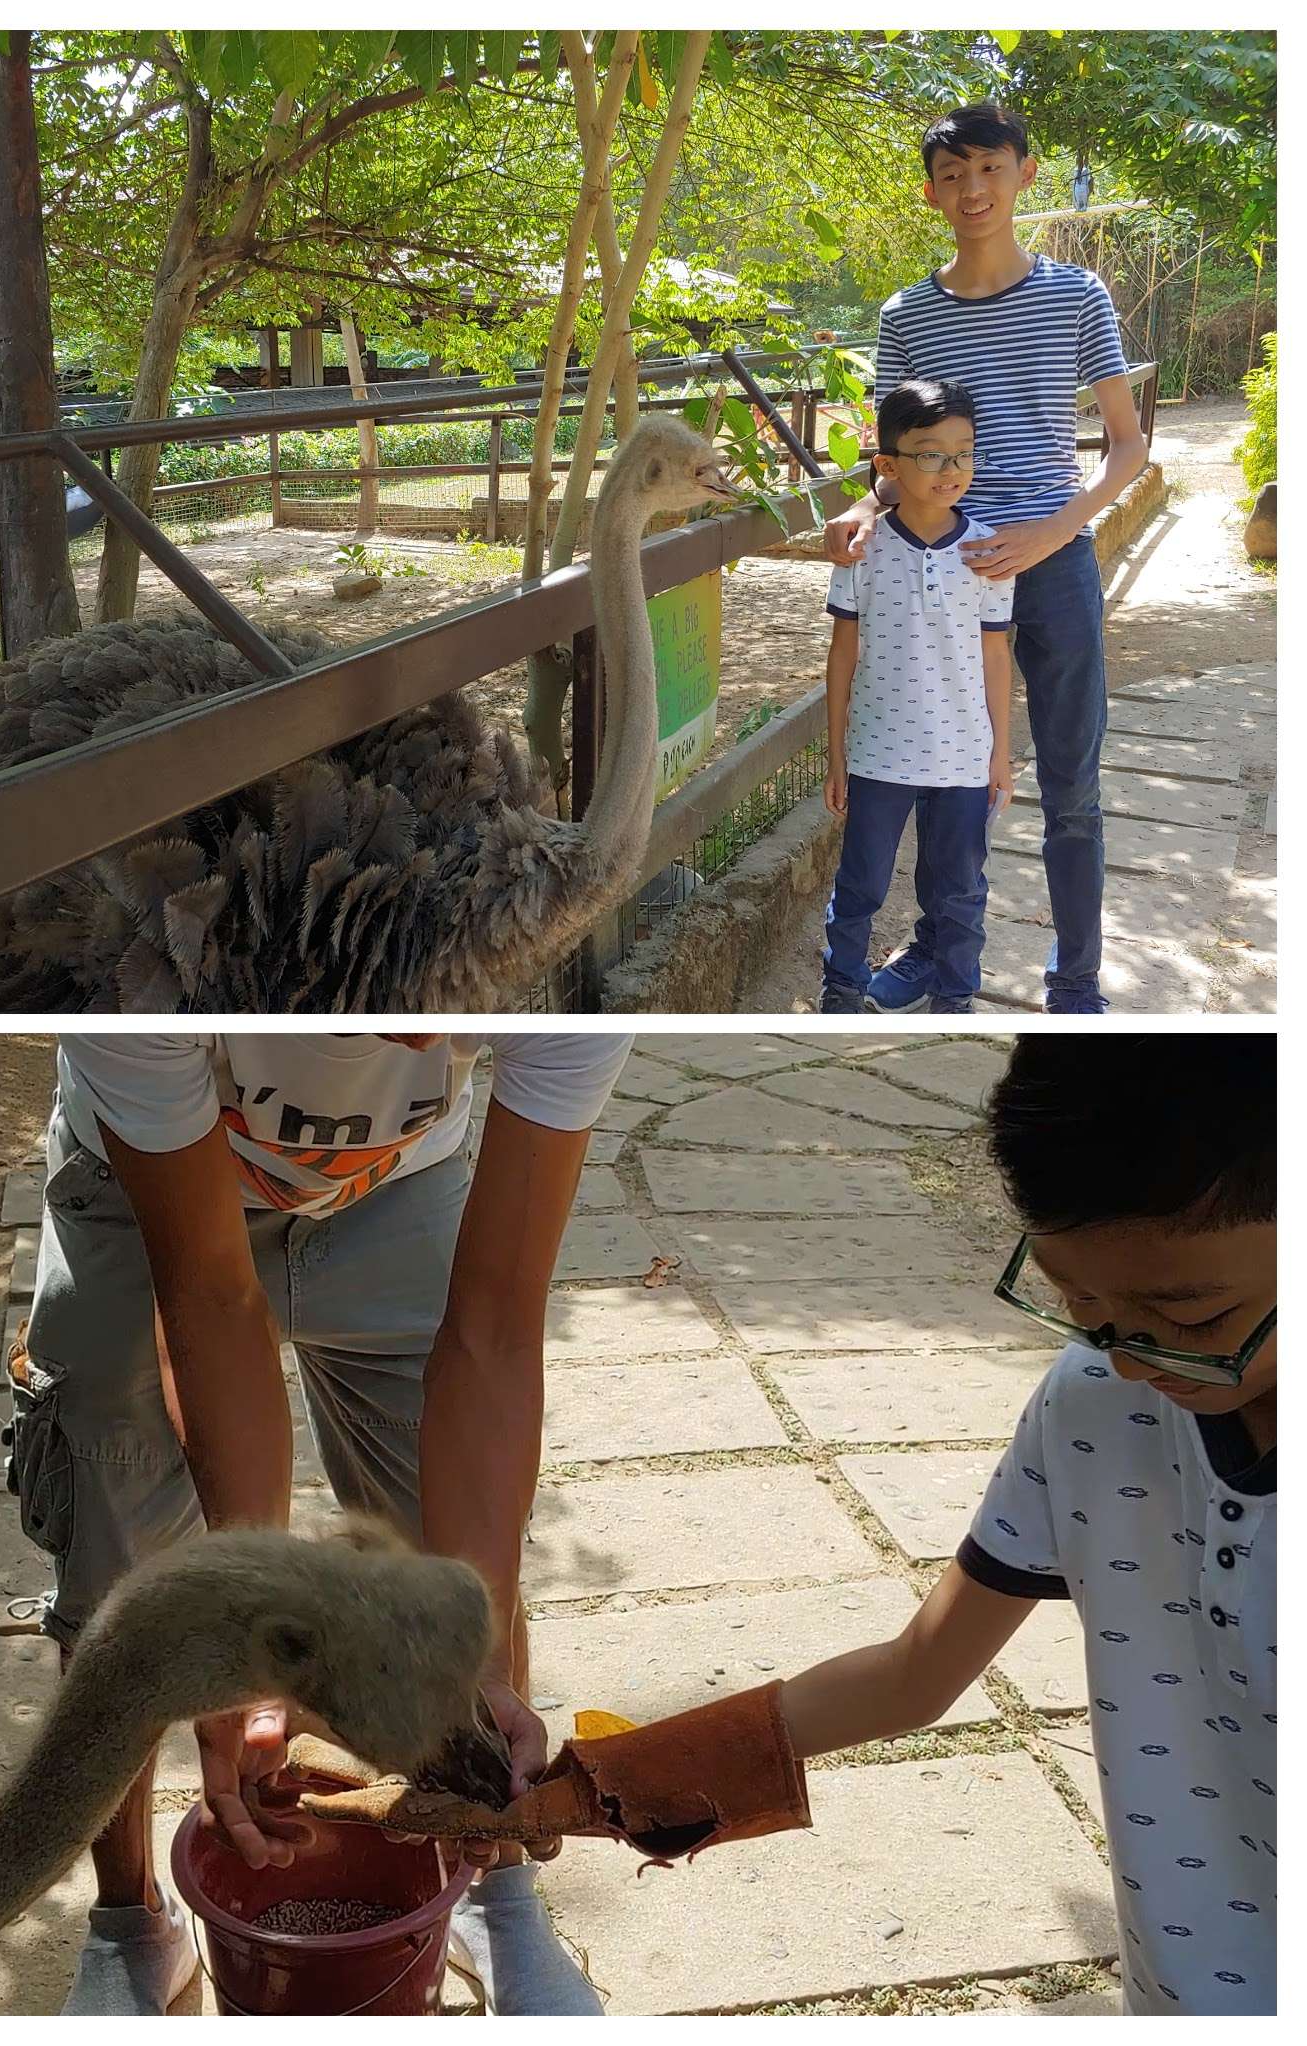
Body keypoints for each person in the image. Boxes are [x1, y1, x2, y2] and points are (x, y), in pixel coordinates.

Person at [8, 1030, 632, 2016]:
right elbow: (207, 1292)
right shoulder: (140, 969)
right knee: (113, 1579)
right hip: (137, 1187)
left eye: (465, 1014)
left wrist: (471, 1661)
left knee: (464, 1566)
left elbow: (496, 1324)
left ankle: (496, 1895)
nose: (437, 1041)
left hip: (400, 1192)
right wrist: (235, 1635)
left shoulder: (553, 959)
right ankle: (129, 1927)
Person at [767, 1033, 1275, 2014]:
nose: (1130, 1355)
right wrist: (598, 1782)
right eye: (1076, 1300)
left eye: (1194, 1316)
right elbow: (911, 1673)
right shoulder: (1095, 1404)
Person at [825, 103, 1150, 1015]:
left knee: (1070, 781)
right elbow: (889, 458)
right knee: (940, 775)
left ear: (1024, 174)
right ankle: (933, 952)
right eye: (952, 173)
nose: (972, 189)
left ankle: (1075, 983)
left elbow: (1127, 446)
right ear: (931, 191)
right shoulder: (905, 313)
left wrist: (1056, 529)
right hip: (932, 570)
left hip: (1049, 567)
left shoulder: (1076, 295)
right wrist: (859, 505)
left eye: (989, 169)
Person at [820, 376, 1014, 1013]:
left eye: (963, 452)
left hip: (963, 759)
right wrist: (836, 754)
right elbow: (842, 654)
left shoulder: (988, 551)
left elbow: (994, 655)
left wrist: (1000, 755)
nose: (949, 468)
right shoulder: (861, 551)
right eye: (929, 453)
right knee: (860, 887)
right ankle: (841, 993)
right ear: (888, 465)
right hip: (878, 754)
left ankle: (955, 998)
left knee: (959, 891)